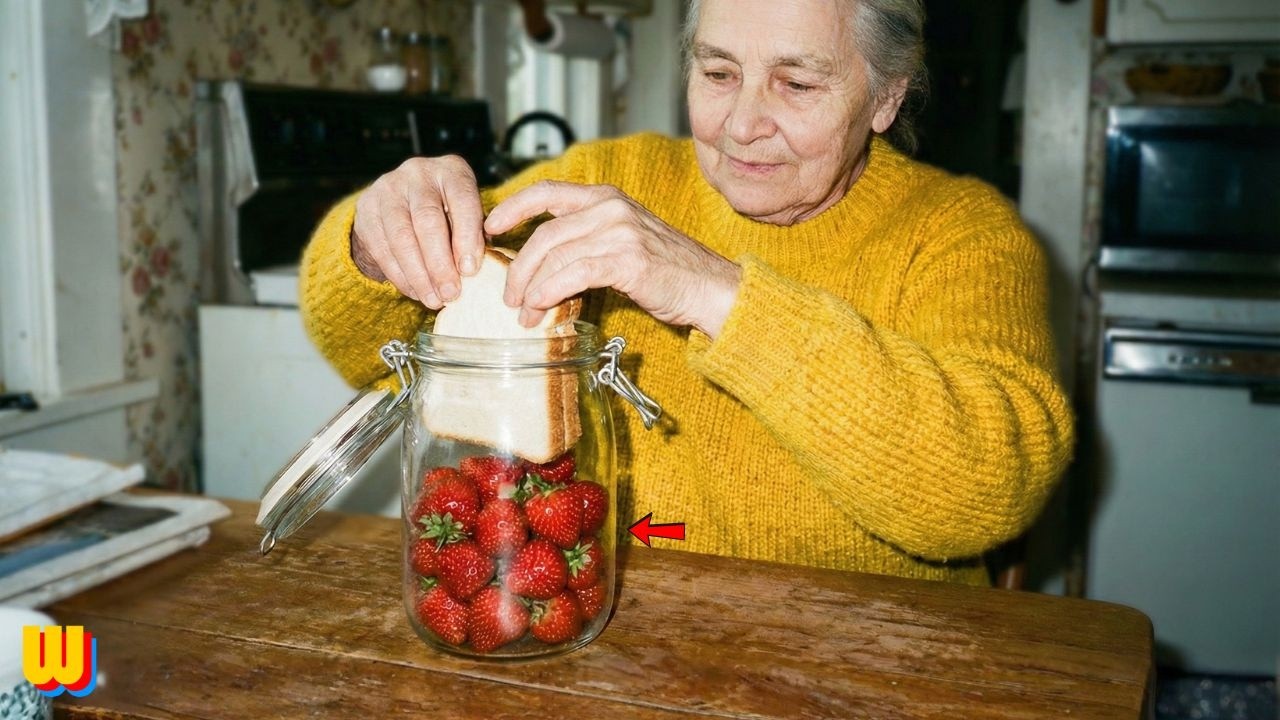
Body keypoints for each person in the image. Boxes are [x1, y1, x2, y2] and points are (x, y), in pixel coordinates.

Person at [300, 0, 1075, 586]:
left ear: (885, 98)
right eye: (717, 73)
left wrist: (718, 293)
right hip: (610, 630)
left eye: (797, 82)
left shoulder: (962, 235)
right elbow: (367, 353)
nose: (742, 124)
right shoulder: (622, 179)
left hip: (862, 663)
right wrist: (376, 244)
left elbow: (987, 492)